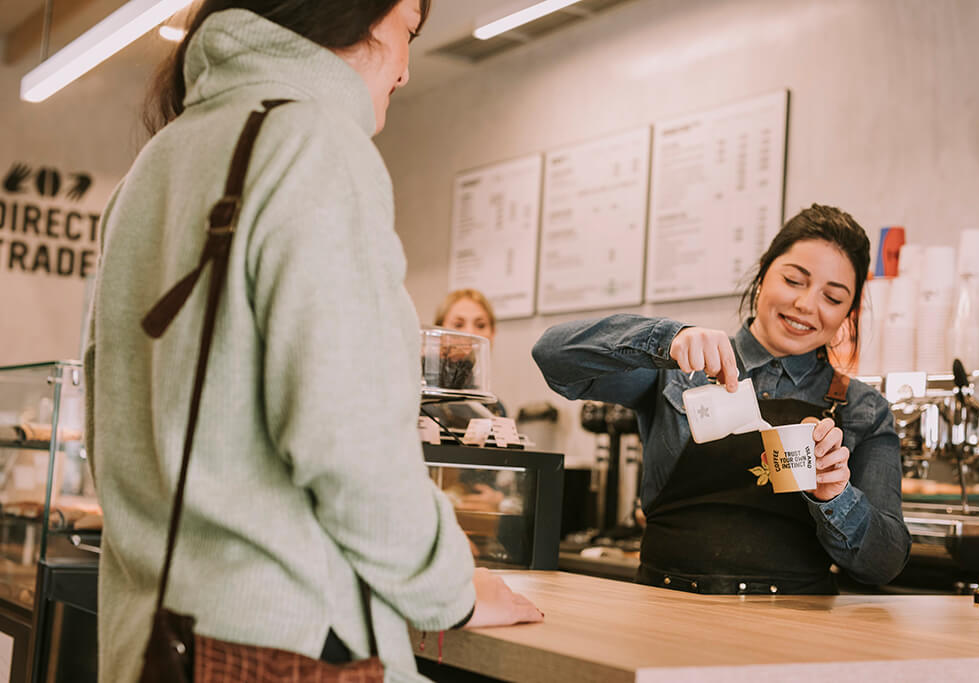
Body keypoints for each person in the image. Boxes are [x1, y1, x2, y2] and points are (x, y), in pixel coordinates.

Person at [84, 2, 540, 681]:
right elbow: (352, 445)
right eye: (408, 31)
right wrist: (451, 589)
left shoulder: (156, 162)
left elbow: (112, 421)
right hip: (282, 645)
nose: (408, 69)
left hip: (151, 642)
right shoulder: (315, 144)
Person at [533, 204, 910, 595]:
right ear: (763, 274)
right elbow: (552, 357)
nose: (806, 305)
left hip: (796, 629)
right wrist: (665, 338)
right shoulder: (681, 366)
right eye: (795, 280)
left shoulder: (864, 409)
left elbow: (884, 563)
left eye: (832, 298)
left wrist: (837, 495)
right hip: (665, 612)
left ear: (849, 312)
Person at [433, 288, 507, 416]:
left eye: (480, 325)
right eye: (458, 324)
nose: (470, 333)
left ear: (493, 333)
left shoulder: (496, 409)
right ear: (439, 332)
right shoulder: (421, 401)